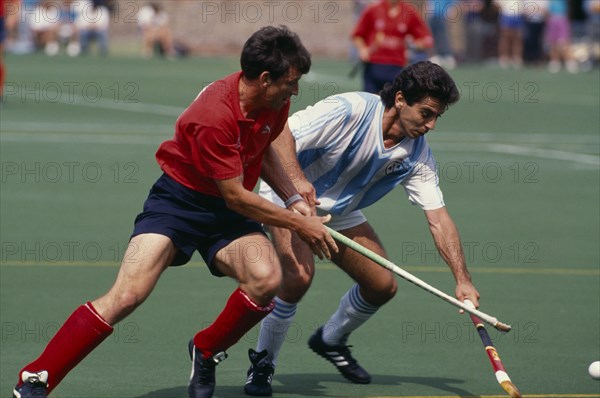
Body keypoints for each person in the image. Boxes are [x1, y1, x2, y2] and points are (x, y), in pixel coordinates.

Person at [12, 25, 338, 398]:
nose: (295, 90)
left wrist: (294, 197)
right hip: (179, 204)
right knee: (128, 295)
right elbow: (235, 196)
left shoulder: (273, 102)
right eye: (291, 83)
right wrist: (301, 224)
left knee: (265, 281)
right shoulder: (214, 114)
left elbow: (262, 149)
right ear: (265, 79)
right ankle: (37, 376)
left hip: (228, 215)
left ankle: (206, 349)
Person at [243, 61, 481, 397]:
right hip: (287, 196)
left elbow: (439, 219)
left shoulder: (417, 156)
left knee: (381, 286)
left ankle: (330, 339)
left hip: (339, 211)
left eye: (436, 117)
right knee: (297, 278)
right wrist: (297, 188)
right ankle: (263, 363)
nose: (431, 125)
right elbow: (282, 133)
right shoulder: (349, 110)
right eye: (426, 113)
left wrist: (462, 279)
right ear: (400, 99)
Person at [351, 0, 433, 93]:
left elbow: (426, 39)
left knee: (393, 103)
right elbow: (357, 35)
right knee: (370, 103)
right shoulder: (373, 9)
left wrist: (415, 45)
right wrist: (363, 49)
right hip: (373, 65)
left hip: (396, 68)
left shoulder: (409, 12)